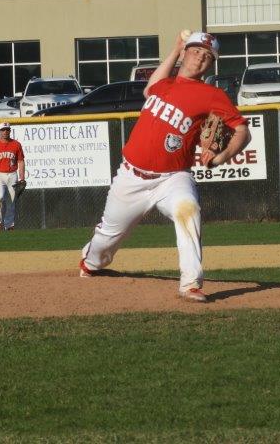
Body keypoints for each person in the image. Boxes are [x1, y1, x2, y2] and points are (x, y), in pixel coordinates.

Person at [79, 30, 251, 302]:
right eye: (195, 51)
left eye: (208, 56)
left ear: (211, 64)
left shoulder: (212, 95)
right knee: (106, 240)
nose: (200, 59)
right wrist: (174, 49)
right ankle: (91, 261)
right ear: (185, 54)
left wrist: (221, 157)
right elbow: (149, 89)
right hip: (131, 177)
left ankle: (190, 283)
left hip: (173, 178)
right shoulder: (164, 85)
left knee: (188, 210)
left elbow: (242, 130)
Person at [0, 121, 26, 232]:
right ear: (0, 131)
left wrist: (22, 177)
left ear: (10, 131)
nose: (5, 132)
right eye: (3, 130)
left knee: (11, 201)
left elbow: (21, 161)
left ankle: (9, 225)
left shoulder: (16, 144)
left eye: (7, 129)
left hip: (12, 174)